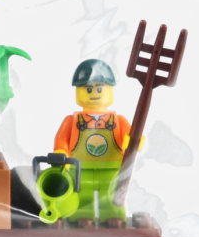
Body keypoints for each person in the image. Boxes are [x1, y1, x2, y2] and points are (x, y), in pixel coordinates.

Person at [53, 59, 142, 226]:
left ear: (110, 90)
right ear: (78, 91)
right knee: (81, 193)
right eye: (88, 89)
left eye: (100, 88)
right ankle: (82, 216)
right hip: (80, 169)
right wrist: (61, 153)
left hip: (111, 169)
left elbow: (132, 138)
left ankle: (112, 216)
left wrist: (134, 141)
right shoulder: (72, 121)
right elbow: (62, 139)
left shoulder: (118, 121)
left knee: (110, 195)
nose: (94, 93)